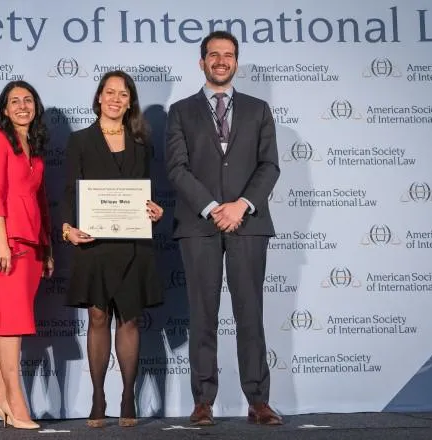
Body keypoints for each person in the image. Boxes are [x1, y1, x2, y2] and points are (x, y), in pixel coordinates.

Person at [165, 30, 282, 426]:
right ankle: (203, 402)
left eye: (228, 55)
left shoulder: (258, 109)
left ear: (236, 62)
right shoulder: (180, 111)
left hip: (248, 225)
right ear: (202, 62)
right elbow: (176, 168)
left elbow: (269, 166)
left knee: (251, 314)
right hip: (200, 227)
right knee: (203, 315)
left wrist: (241, 206)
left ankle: (258, 401)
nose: (220, 61)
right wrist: (214, 208)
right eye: (213, 55)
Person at [61, 70, 165, 428]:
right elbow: (69, 193)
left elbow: (144, 195)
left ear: (130, 101)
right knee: (98, 317)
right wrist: (65, 229)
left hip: (134, 243)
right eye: (110, 92)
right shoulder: (79, 141)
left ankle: (127, 395)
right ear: (99, 97)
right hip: (94, 243)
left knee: (131, 318)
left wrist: (155, 209)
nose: (116, 99)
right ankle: (98, 396)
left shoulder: (141, 143)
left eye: (123, 94)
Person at [0, 80, 53, 430]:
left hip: (32, 242)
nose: (22, 106)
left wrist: (47, 247)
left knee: (6, 319)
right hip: (2, 240)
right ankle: (15, 403)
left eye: (28, 100)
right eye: (14, 101)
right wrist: (1, 241)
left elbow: (40, 201)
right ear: (4, 109)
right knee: (12, 322)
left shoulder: (34, 145)